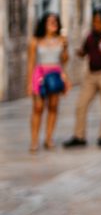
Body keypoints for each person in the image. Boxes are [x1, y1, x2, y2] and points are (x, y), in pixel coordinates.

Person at [64, 10, 101, 148]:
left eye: (98, 22)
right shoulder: (91, 36)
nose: (96, 25)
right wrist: (76, 51)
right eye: (94, 22)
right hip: (91, 74)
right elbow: (84, 51)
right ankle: (79, 136)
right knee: (81, 104)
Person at [26, 13, 69, 152]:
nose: (53, 24)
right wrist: (29, 83)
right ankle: (34, 140)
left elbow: (64, 60)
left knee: (53, 106)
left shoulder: (60, 40)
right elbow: (31, 62)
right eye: (50, 21)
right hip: (40, 74)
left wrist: (65, 47)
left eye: (55, 21)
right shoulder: (35, 41)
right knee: (38, 107)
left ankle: (48, 138)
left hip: (55, 73)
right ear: (44, 23)